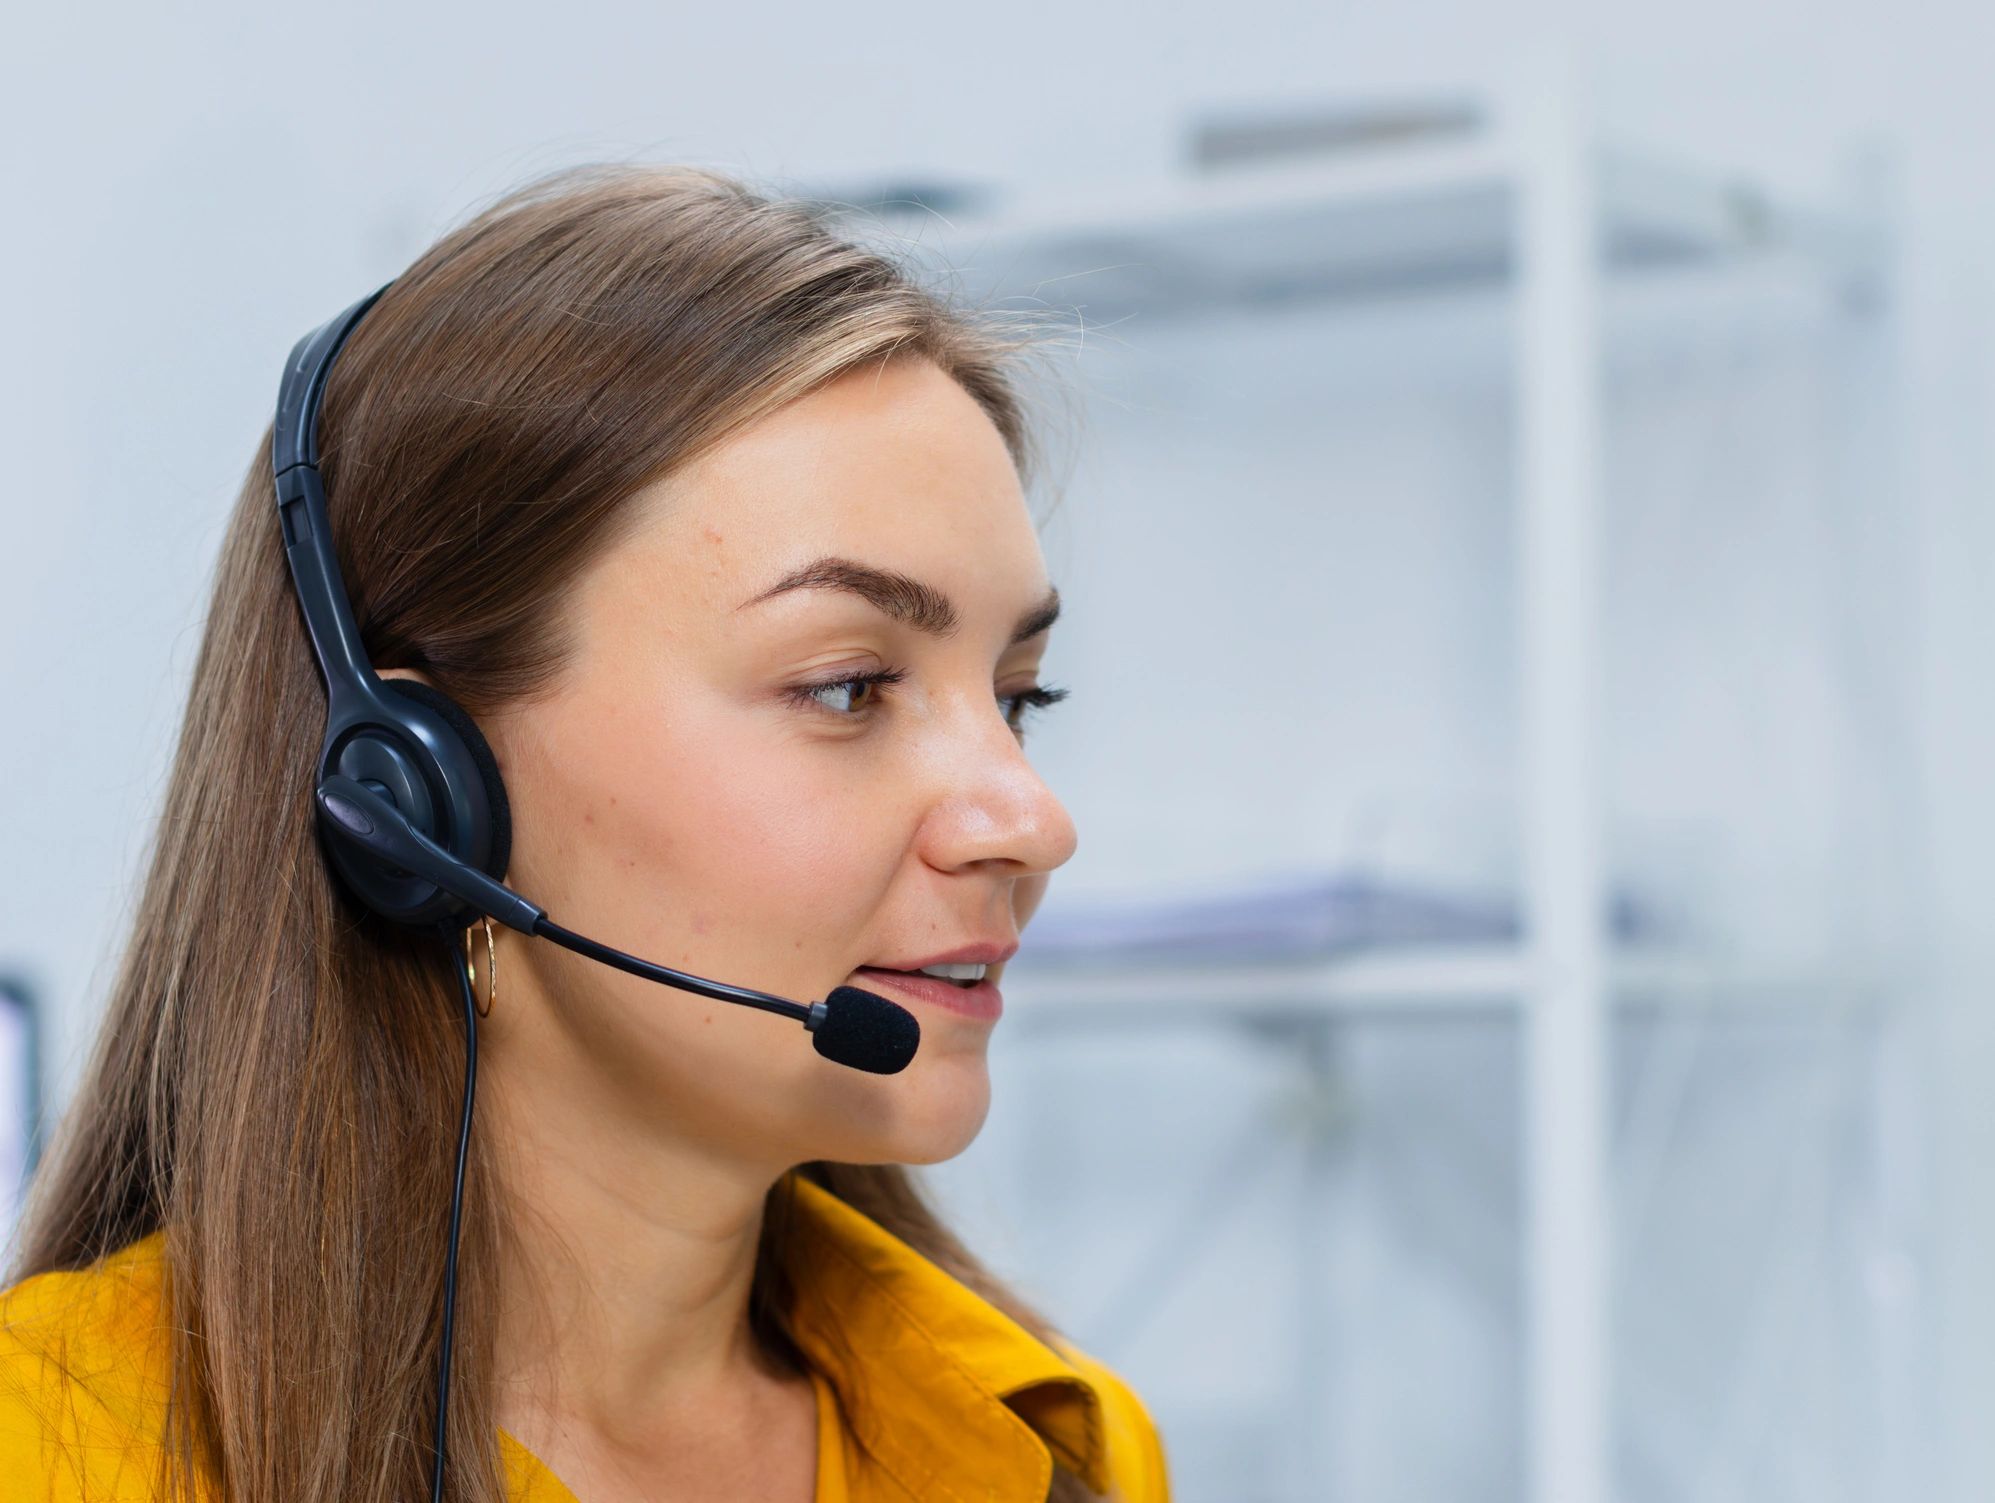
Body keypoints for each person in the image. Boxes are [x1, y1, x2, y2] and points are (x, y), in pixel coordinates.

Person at [0, 162, 1171, 1503]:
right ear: (421, 801)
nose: (1030, 818)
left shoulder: (1056, 1445)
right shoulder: (56, 1455)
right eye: (847, 687)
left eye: (1021, 698)